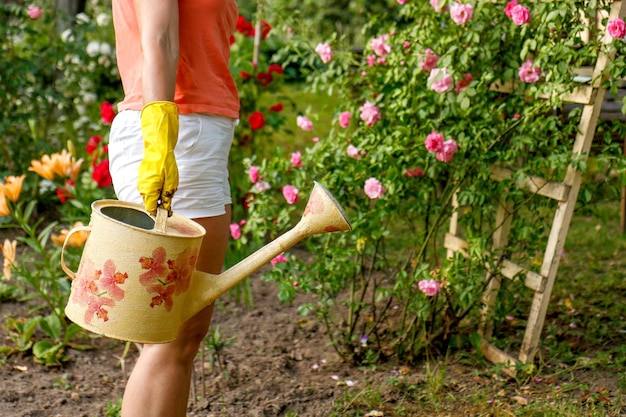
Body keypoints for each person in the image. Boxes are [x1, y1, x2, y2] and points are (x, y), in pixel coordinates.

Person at [107, 1, 240, 416]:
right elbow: (157, 35)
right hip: (180, 132)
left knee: (175, 335)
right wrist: (161, 138)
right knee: (174, 335)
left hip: (194, 132)